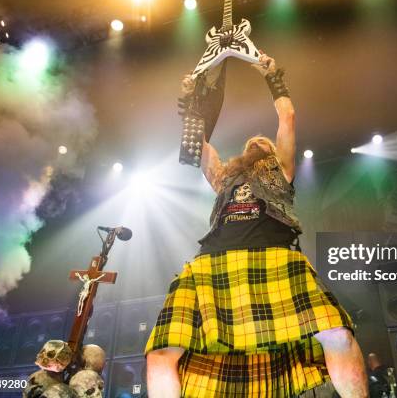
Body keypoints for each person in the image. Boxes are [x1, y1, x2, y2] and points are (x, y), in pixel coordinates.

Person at [146, 53, 369, 397]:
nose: (257, 143)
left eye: (264, 143)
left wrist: (273, 76)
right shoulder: (224, 178)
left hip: (275, 259)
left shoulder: (282, 171)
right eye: (252, 144)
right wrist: (192, 101)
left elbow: (288, 116)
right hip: (213, 262)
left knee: (337, 334)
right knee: (161, 353)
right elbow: (199, 146)